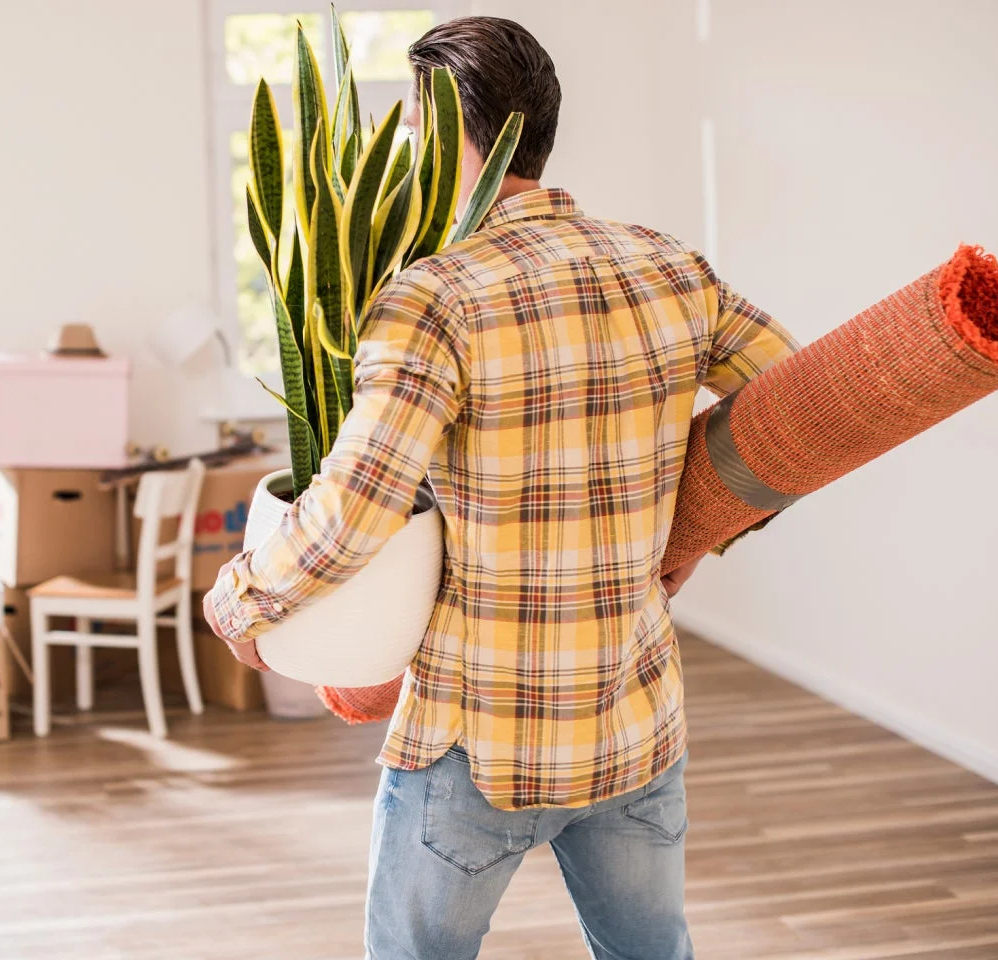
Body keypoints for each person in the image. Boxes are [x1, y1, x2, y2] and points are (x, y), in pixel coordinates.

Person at [204, 16, 798, 960]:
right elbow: (796, 412)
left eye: (409, 132)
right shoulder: (669, 264)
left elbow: (355, 509)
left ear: (444, 139)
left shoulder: (435, 296)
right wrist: (696, 530)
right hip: (632, 721)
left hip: (480, 741)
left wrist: (240, 601)